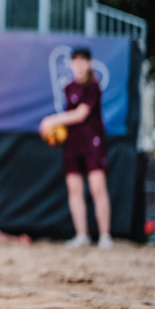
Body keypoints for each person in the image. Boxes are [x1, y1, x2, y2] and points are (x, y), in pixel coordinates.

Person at [39, 47, 113, 249]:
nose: (79, 65)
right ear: (71, 64)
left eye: (82, 61)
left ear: (89, 64)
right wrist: (56, 131)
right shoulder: (69, 87)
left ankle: (105, 236)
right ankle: (82, 235)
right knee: (74, 189)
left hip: (93, 142)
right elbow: (71, 119)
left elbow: (81, 114)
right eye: (75, 61)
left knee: (98, 188)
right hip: (73, 144)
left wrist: (52, 121)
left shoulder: (93, 86)